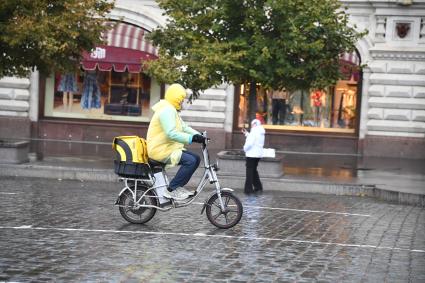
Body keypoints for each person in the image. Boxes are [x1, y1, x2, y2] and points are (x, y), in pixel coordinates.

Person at [147, 83, 205, 201]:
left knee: (196, 159)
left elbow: (184, 127)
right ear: (176, 98)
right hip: (160, 150)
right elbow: (171, 133)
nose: (183, 102)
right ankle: (171, 190)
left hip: (166, 148)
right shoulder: (166, 110)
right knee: (190, 161)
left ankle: (177, 187)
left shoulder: (170, 109)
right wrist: (191, 138)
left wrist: (199, 135)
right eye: (182, 99)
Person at [242, 119, 265, 194]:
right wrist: (246, 134)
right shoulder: (261, 131)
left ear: (254, 124)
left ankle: (248, 189)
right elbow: (255, 140)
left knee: (249, 171)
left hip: (251, 154)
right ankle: (258, 187)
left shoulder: (254, 131)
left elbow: (250, 143)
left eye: (252, 124)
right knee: (254, 170)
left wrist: (244, 149)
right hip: (257, 155)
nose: (251, 126)